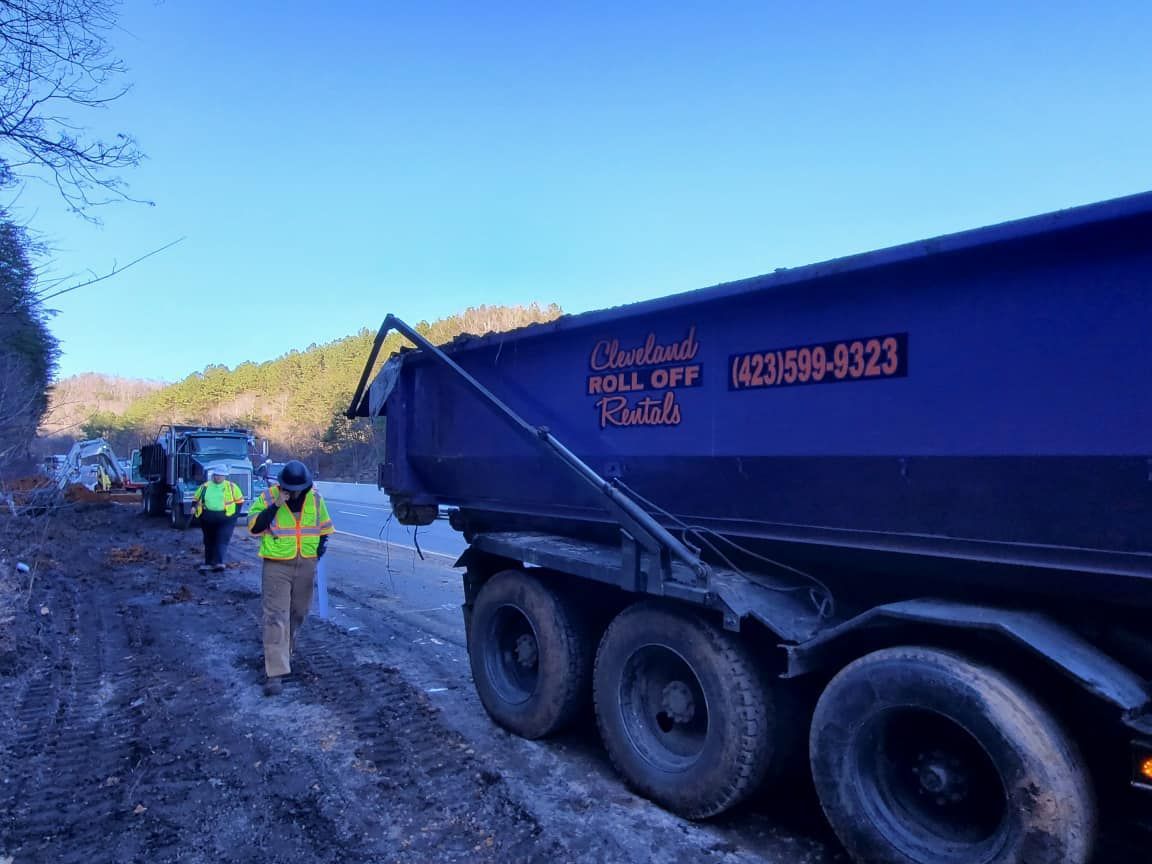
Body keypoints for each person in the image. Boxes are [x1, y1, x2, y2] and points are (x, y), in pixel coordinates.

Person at [246, 460, 334, 696]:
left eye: (298, 489)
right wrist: (276, 505)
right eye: (289, 489)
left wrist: (317, 553)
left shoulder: (315, 499)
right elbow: (254, 527)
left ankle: (285, 650)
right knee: (276, 617)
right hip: (277, 565)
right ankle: (275, 673)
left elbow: (325, 529)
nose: (294, 493)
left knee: (298, 613)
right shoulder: (267, 497)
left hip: (305, 563)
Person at [193, 464, 244, 573]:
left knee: (222, 539)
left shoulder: (232, 487)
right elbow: (196, 499)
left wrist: (235, 515)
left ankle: (219, 563)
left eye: (220, 475)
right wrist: (194, 507)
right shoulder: (205, 487)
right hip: (207, 518)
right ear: (213, 475)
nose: (218, 477)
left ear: (225, 476)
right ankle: (209, 562)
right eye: (216, 475)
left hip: (226, 519)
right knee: (209, 540)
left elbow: (239, 501)